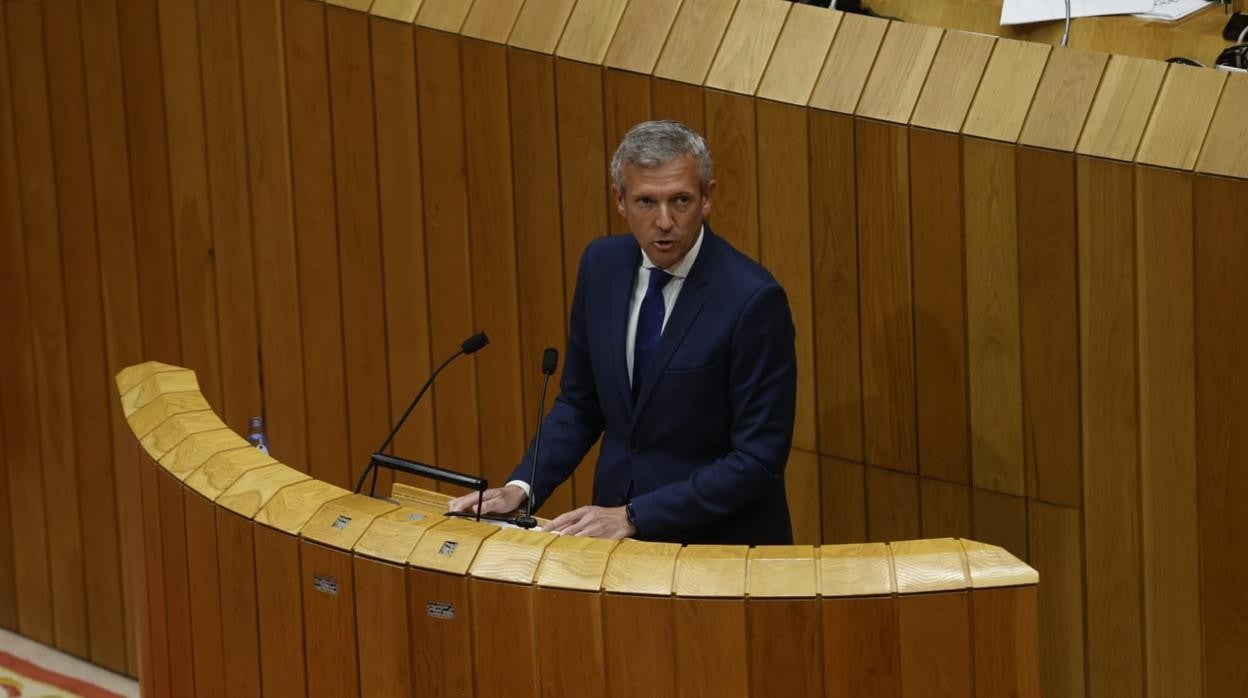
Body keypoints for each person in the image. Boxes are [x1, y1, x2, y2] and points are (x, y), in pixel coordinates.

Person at [448, 120, 797, 545]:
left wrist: (634, 516)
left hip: (716, 551)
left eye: (681, 200)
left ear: (707, 199)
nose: (664, 221)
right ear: (620, 201)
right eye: (646, 201)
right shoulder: (602, 266)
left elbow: (757, 460)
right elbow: (581, 402)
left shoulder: (752, 299)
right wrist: (523, 488)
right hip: (613, 551)